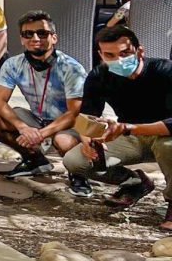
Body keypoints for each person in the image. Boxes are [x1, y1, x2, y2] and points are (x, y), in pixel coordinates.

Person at [62, 26, 172, 229]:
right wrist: (88, 140)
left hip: (163, 135)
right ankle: (135, 182)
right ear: (100, 55)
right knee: (75, 161)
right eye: (110, 55)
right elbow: (86, 116)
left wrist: (128, 128)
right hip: (130, 137)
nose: (118, 60)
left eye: (124, 53)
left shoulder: (164, 71)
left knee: (168, 147)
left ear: (140, 51)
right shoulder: (99, 75)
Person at [0, 11, 88, 194]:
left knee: (63, 140)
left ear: (54, 38)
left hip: (66, 123)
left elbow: (74, 113)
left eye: (42, 33)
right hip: (36, 118)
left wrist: (42, 134)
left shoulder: (71, 67)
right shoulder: (13, 64)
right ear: (21, 39)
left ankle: (78, 173)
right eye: (28, 34)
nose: (35, 38)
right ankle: (35, 160)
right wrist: (22, 127)